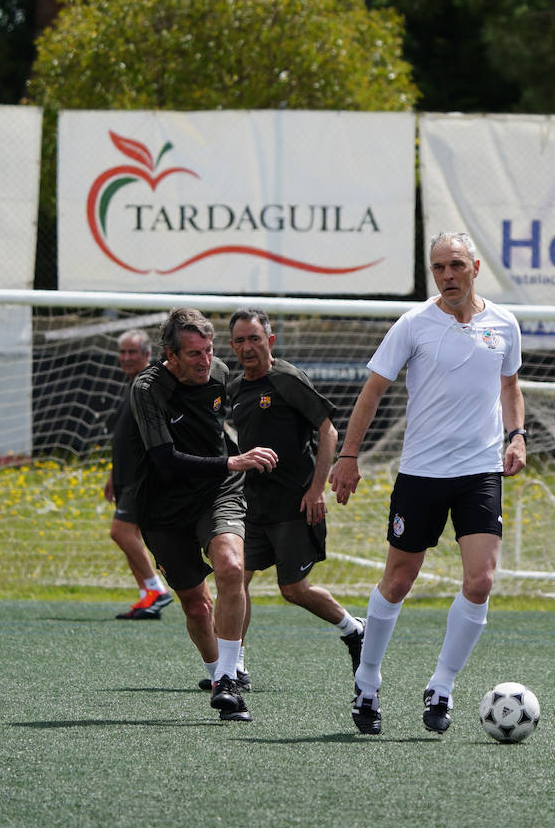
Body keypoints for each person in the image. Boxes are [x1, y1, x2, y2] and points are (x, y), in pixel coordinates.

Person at [329, 231, 527, 736]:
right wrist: (347, 457)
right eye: (438, 268)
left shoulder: (503, 323)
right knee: (398, 580)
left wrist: (517, 436)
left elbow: (510, 385)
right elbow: (373, 391)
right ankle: (368, 682)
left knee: (481, 580)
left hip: (480, 472)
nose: (447, 276)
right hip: (421, 473)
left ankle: (442, 685)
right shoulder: (414, 323)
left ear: (475, 267)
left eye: (456, 265)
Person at [196, 308, 363, 693]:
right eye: (239, 340)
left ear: (269, 341)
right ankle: (232, 668)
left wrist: (316, 488)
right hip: (252, 505)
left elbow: (329, 431)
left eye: (254, 339)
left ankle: (353, 629)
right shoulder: (235, 391)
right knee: (236, 581)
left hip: (294, 505)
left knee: (294, 590)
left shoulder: (286, 379)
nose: (247, 347)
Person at [130, 307, 279, 722]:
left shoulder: (217, 371)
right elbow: (164, 459)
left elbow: (256, 397)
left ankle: (230, 680)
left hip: (218, 491)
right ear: (170, 355)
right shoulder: (148, 388)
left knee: (231, 566)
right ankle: (218, 675)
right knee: (197, 606)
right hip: (164, 506)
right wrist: (232, 462)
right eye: (193, 353)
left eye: (208, 349)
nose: (204, 360)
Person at [105, 329, 174, 620]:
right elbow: (125, 438)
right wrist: (112, 474)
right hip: (124, 475)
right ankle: (148, 596)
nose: (127, 357)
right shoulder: (133, 385)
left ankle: (158, 590)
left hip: (140, 476)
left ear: (147, 355)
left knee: (120, 533)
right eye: (123, 352)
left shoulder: (150, 386)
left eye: (133, 352)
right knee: (129, 535)